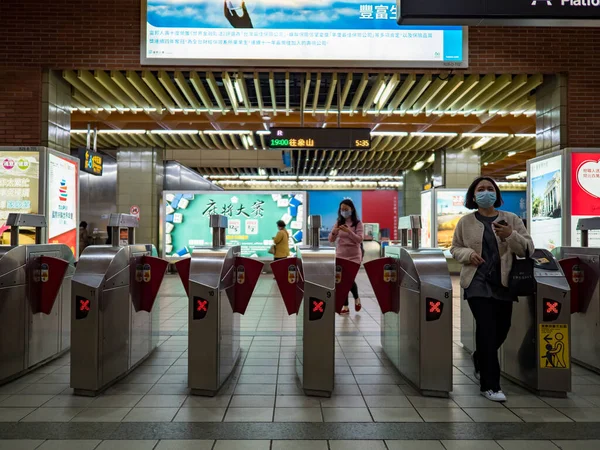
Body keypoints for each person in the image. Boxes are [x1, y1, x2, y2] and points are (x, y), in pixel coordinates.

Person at [451, 177, 534, 403]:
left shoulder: (511, 219)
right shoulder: (466, 222)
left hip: (504, 283)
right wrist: (468, 255)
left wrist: (510, 235)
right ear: (473, 195)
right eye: (480, 189)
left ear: (496, 194)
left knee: (502, 328)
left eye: (490, 189)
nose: (485, 192)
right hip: (477, 283)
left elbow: (528, 248)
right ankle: (490, 385)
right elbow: (455, 248)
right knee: (486, 329)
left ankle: (480, 356)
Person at [328, 199, 364, 314]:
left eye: (346, 209)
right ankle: (346, 306)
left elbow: (359, 239)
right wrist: (334, 231)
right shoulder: (338, 222)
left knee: (348, 279)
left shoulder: (358, 223)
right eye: (342, 209)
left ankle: (356, 298)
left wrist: (349, 232)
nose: (343, 211)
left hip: (354, 256)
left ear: (352, 209)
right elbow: (331, 240)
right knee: (341, 280)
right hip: (340, 255)